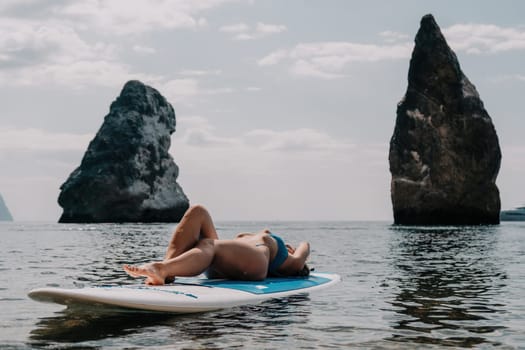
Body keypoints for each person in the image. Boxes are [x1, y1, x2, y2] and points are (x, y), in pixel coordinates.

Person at [123, 204, 311, 285]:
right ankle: (167, 272)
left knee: (209, 244)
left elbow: (306, 245)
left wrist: (295, 251)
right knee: (198, 211)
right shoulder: (249, 244)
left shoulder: (290, 262)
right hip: (222, 262)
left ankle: (161, 268)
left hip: (253, 266)